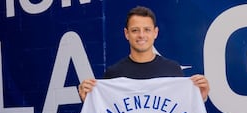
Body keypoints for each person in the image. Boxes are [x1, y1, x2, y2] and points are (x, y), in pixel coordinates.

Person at [78, 6, 209, 102]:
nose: (141, 35)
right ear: (126, 34)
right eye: (135, 30)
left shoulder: (172, 69)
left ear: (155, 33)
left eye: (147, 30)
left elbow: (183, 110)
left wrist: (201, 98)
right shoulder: (114, 73)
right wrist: (88, 100)